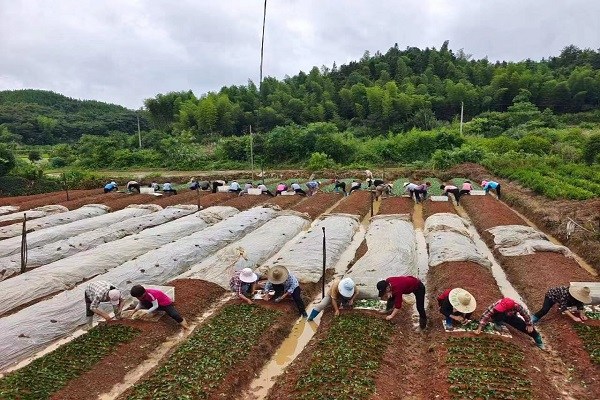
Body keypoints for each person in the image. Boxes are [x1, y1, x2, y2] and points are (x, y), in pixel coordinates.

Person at [475, 297, 544, 349]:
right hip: (499, 315)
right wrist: (480, 326)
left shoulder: (517, 306)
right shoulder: (498, 304)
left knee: (521, 324)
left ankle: (537, 337)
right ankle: (498, 322)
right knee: (498, 315)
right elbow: (487, 314)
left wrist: (529, 324)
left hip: (510, 316)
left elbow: (525, 315)